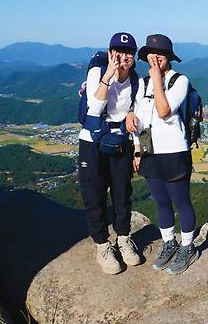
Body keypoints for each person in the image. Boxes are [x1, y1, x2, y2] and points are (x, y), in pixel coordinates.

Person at [127, 34, 198, 275]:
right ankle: (169, 243)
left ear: (169, 57)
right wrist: (137, 150)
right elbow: (140, 120)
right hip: (150, 153)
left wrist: (157, 78)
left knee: (181, 202)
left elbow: (164, 110)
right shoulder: (142, 84)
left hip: (175, 152)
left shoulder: (180, 80)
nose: (156, 58)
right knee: (162, 202)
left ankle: (188, 248)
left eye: (161, 54)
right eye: (152, 54)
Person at [78, 32, 142, 274]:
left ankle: (123, 239)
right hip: (92, 142)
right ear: (109, 52)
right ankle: (103, 245)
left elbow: (135, 116)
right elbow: (94, 110)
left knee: (122, 193)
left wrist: (137, 148)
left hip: (119, 143)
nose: (123, 57)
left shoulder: (136, 81)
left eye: (128, 53)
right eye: (118, 51)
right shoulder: (97, 72)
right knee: (94, 194)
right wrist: (108, 76)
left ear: (134, 57)